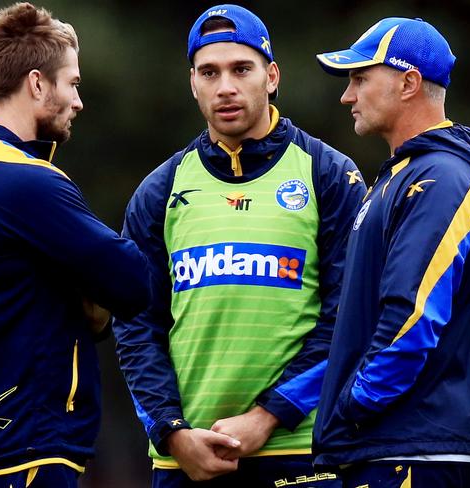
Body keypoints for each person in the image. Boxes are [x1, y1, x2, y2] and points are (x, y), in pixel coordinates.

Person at [114, 4, 366, 487]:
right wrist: (171, 432)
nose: (225, 86)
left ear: (271, 76)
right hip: (186, 458)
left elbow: (348, 317)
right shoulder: (159, 189)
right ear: (193, 83)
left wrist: (268, 416)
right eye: (209, 72)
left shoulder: (329, 174)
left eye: (241, 69)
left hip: (299, 451)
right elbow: (135, 326)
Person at [0, 3, 151, 487]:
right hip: (27, 447)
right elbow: (134, 282)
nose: (78, 101)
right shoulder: (24, 181)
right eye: (72, 83)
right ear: (37, 84)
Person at [312, 17, 470, 488]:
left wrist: (352, 406)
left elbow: (412, 317)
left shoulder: (440, 179)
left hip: (410, 448)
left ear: (409, 83)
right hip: (393, 446)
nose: (347, 95)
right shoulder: (403, 175)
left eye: (360, 79)